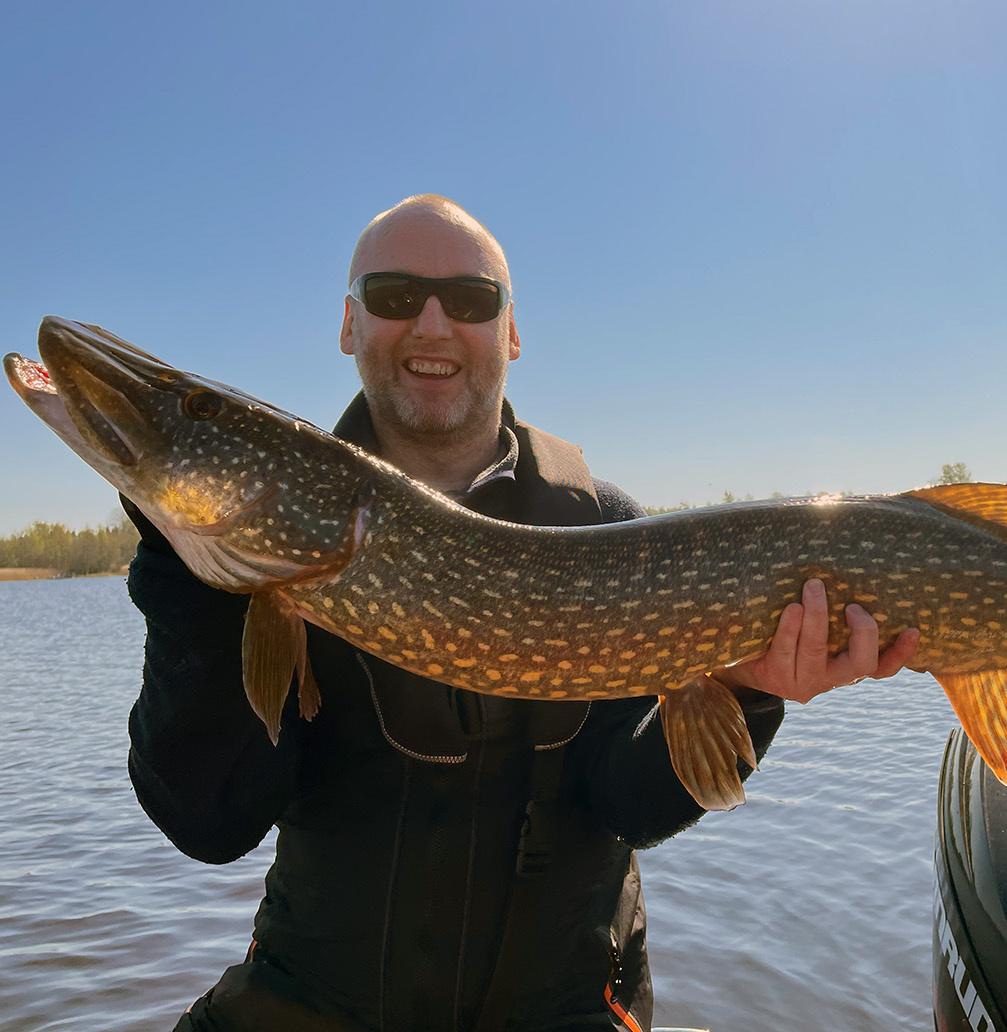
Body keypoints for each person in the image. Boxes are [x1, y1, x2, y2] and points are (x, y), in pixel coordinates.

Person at [124, 195, 919, 1032]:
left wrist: (750, 691)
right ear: (351, 324)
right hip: (314, 1003)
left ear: (510, 333)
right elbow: (208, 822)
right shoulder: (290, 521)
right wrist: (188, 574)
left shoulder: (604, 526)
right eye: (396, 295)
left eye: (469, 301)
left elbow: (627, 804)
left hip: (562, 1010)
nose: (433, 324)